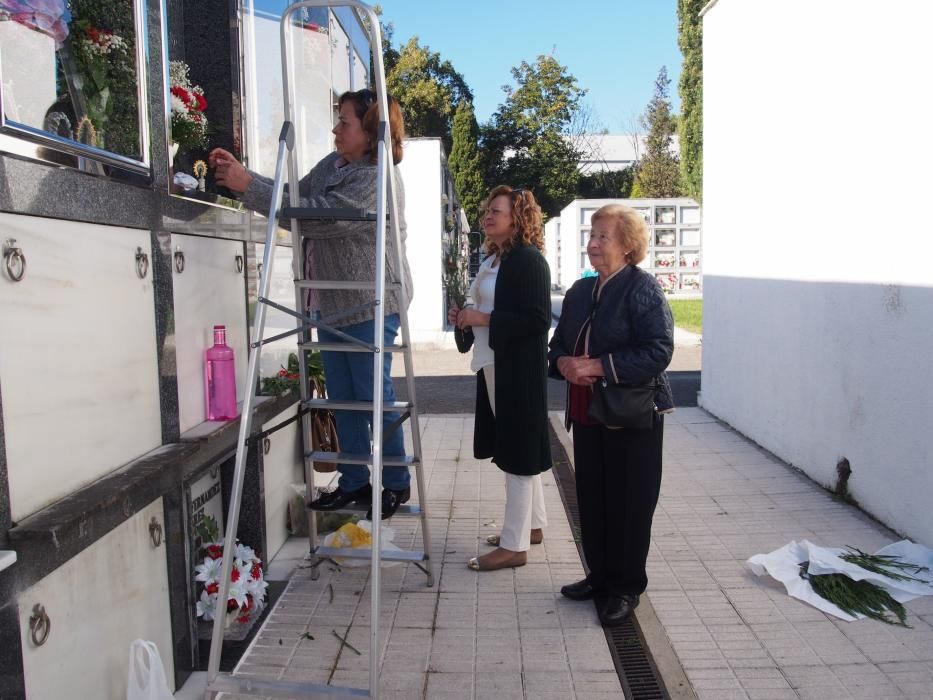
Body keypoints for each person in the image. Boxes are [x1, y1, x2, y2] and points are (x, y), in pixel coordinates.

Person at [209, 89, 414, 520]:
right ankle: (356, 482)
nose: (336, 129)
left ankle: (396, 482)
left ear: (372, 129)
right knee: (344, 396)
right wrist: (248, 180)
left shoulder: (378, 176)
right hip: (332, 298)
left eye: (345, 122)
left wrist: (250, 188)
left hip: (369, 302)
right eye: (338, 120)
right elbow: (295, 196)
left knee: (373, 395)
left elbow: (322, 216)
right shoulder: (334, 164)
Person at [547, 203, 674, 626]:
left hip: (631, 415)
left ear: (627, 246)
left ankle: (625, 586)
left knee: (631, 503)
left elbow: (659, 351)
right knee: (593, 498)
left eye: (603, 236)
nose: (593, 243)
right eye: (592, 235)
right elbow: (559, 345)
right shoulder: (581, 292)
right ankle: (599, 576)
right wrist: (565, 363)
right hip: (588, 413)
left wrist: (599, 366)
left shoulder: (643, 288)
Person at [448, 186, 551, 571]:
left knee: (518, 453)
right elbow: (482, 312)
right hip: (492, 364)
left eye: (497, 211)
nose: (488, 216)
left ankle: (514, 546)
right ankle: (533, 526)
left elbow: (538, 320)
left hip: (517, 371)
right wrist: (464, 317)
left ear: (518, 217)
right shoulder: (493, 259)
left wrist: (483, 319)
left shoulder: (527, 261)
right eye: (486, 210)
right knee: (516, 446)